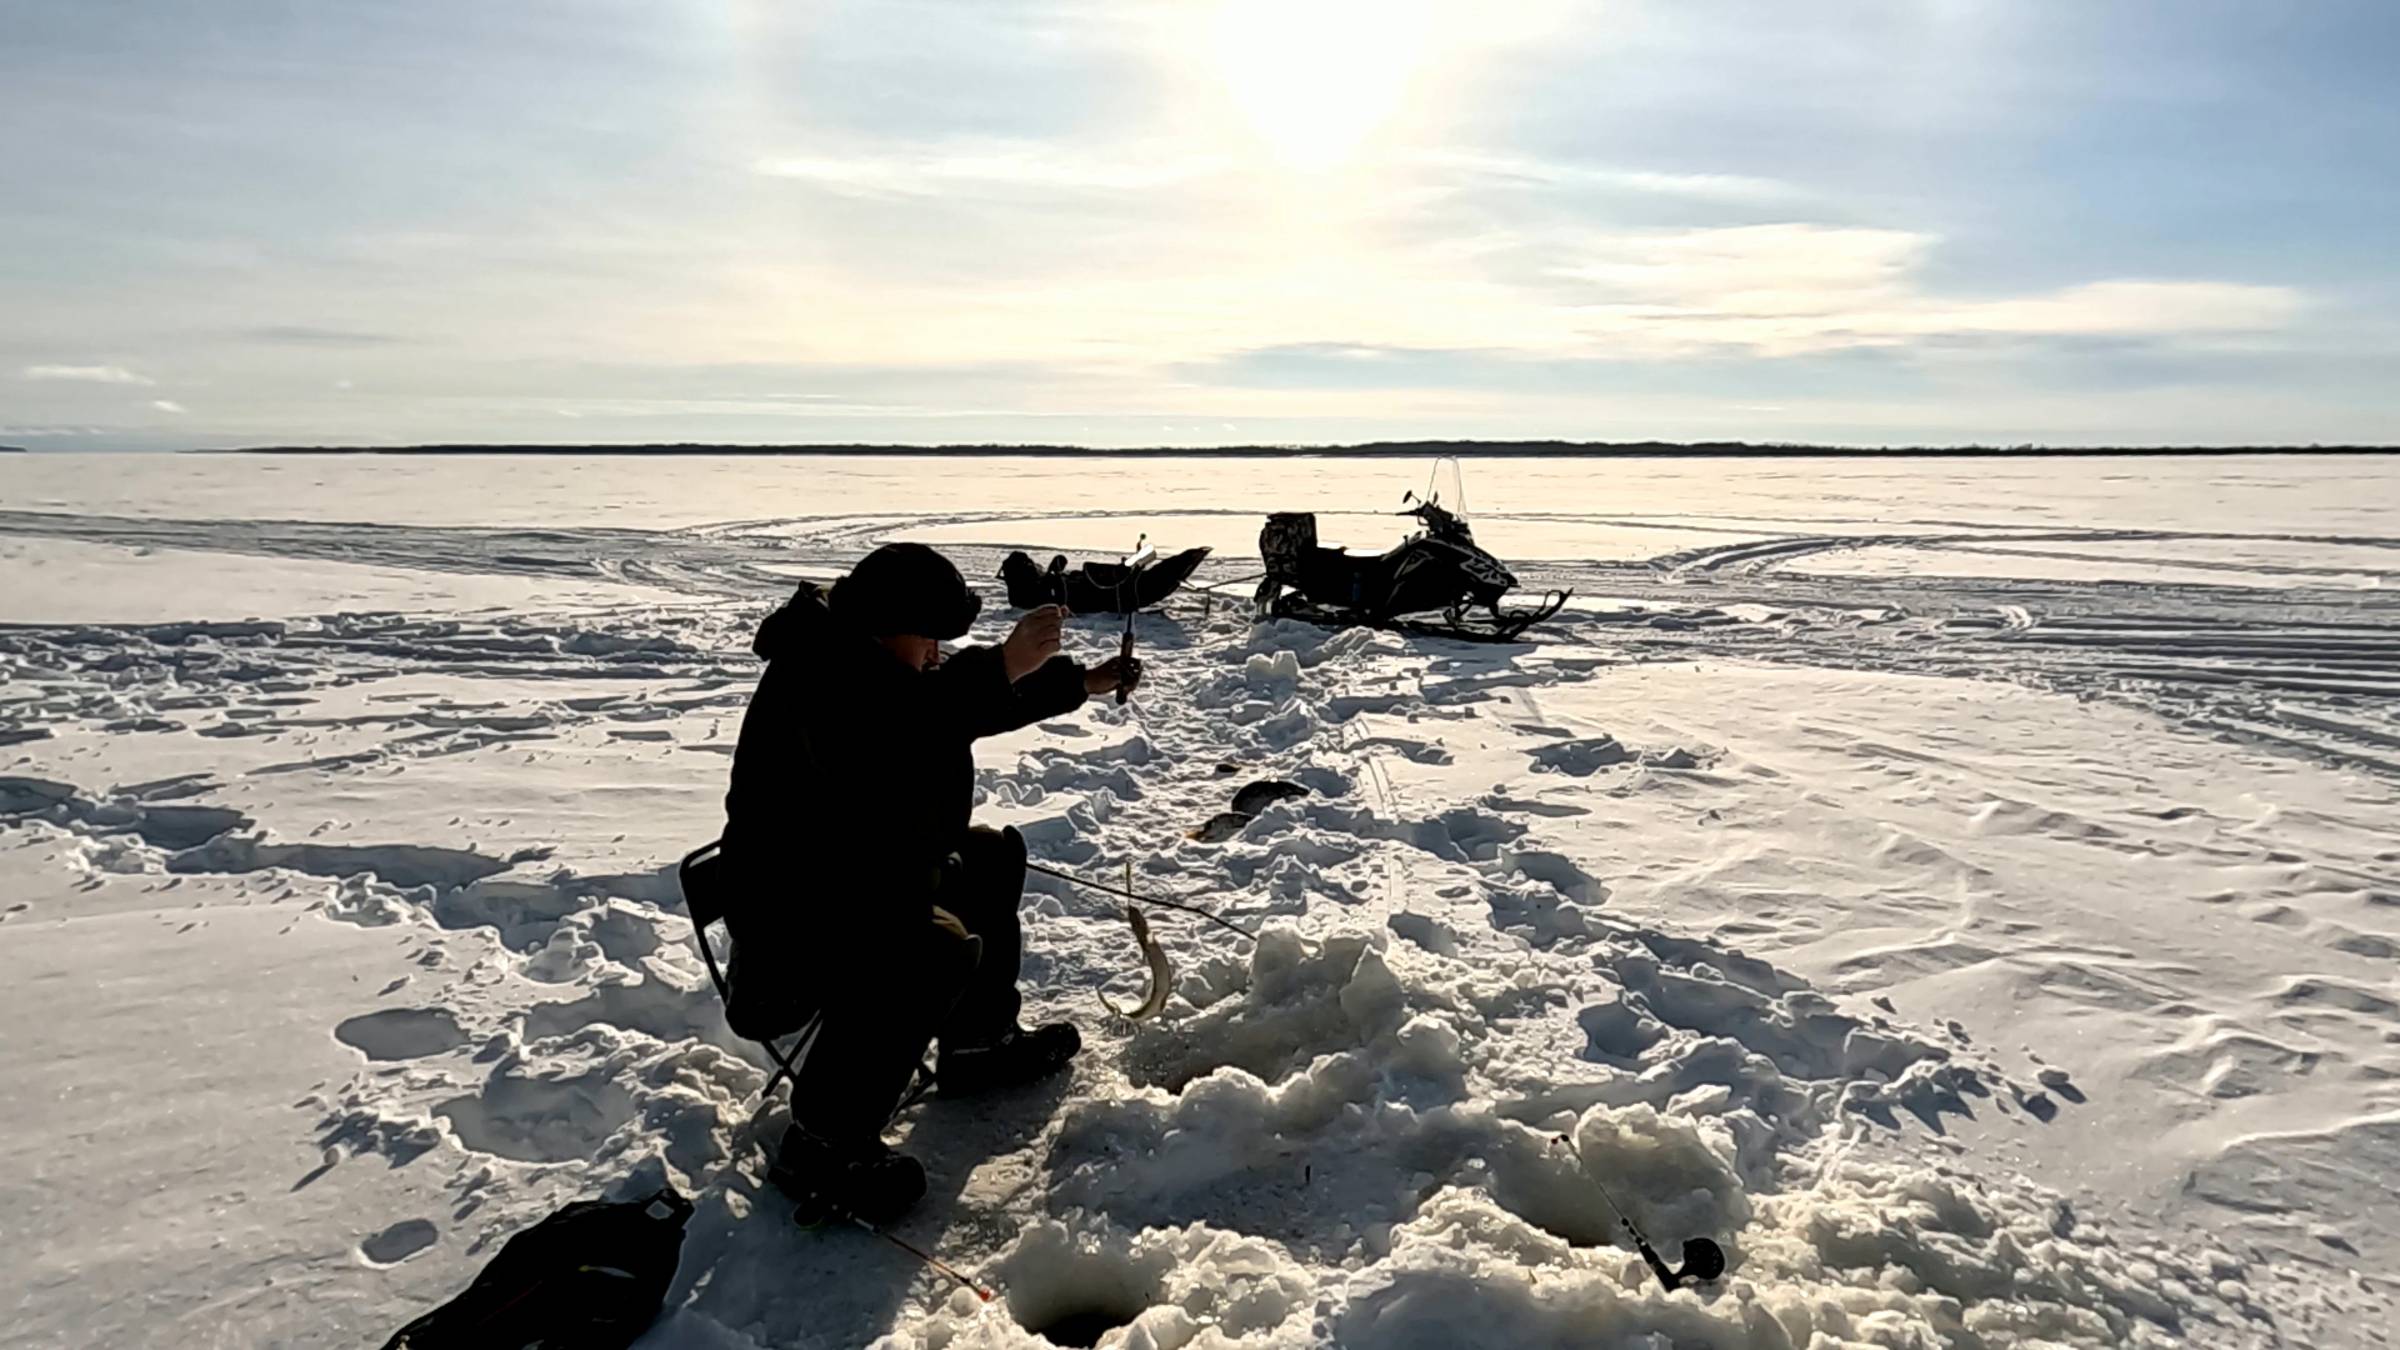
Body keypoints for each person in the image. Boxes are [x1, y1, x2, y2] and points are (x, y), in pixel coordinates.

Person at [717, 543, 1139, 1223]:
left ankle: (978, 1045)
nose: (939, 654)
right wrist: (1002, 663)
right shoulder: (820, 675)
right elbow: (904, 726)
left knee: (988, 858)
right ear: (888, 628)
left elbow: (944, 711)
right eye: (932, 639)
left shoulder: (863, 661)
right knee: (931, 947)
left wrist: (1076, 683)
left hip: (856, 878)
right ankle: (822, 1142)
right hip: (789, 926)